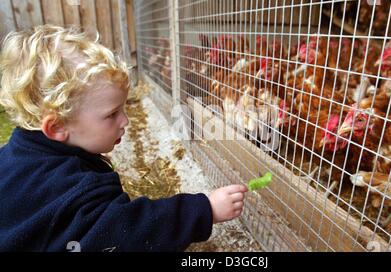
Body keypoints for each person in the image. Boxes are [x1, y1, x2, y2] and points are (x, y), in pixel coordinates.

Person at [0, 25, 247, 251]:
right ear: (56, 126)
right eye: (112, 114)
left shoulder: (13, 158)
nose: (126, 121)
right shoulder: (76, 192)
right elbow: (128, 235)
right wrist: (205, 210)